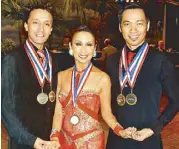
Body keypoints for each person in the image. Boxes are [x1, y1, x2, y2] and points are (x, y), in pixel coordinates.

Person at [49, 25, 136, 149]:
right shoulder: (61, 76)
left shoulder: (103, 78)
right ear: (71, 47)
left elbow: (107, 113)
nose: (83, 50)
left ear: (94, 48)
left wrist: (119, 130)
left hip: (91, 142)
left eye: (89, 45)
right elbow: (58, 112)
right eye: (78, 44)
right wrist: (54, 136)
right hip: (64, 141)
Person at [106, 3, 179, 149]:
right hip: (117, 138)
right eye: (127, 24)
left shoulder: (160, 60)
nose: (133, 29)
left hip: (147, 139)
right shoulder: (112, 61)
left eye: (139, 23)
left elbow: (176, 101)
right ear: (120, 27)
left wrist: (154, 129)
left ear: (147, 25)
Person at [2, 6, 60, 149]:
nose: (41, 29)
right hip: (23, 141)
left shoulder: (54, 60)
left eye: (46, 24)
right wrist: (30, 140)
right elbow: (5, 108)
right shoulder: (12, 60)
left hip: (49, 141)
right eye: (35, 22)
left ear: (51, 29)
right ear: (26, 26)